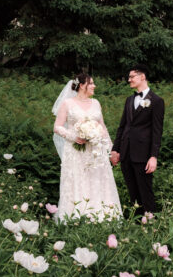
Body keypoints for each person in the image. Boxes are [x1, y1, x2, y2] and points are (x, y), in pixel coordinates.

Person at [52, 72, 122, 221]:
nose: (94, 86)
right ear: (82, 85)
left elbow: (102, 127)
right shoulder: (68, 104)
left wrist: (111, 150)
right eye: (91, 83)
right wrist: (74, 137)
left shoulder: (96, 103)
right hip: (76, 152)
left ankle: (103, 217)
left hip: (96, 152)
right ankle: (77, 218)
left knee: (98, 181)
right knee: (78, 182)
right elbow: (57, 127)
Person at [110, 66, 164, 216]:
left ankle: (151, 221)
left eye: (132, 76)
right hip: (126, 153)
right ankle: (138, 222)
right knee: (132, 190)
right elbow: (122, 127)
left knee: (145, 190)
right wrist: (116, 150)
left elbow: (157, 131)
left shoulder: (157, 101)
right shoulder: (129, 100)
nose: (129, 80)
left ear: (142, 77)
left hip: (143, 154)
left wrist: (153, 156)